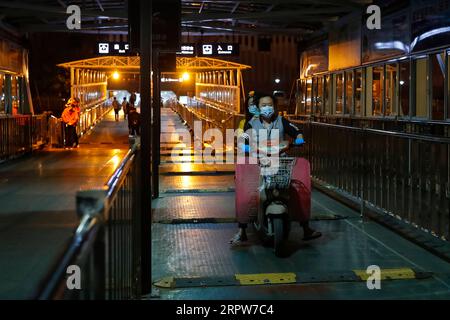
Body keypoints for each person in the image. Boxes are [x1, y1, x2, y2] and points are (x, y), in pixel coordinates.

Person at [231, 93, 322, 246]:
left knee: (296, 191)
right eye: (263, 105)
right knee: (245, 191)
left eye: (270, 105)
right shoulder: (251, 123)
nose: (267, 108)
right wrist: (244, 144)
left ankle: (305, 228)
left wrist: (299, 137)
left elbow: (296, 130)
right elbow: (245, 137)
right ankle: (242, 230)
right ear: (258, 108)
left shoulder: (281, 121)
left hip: (281, 161)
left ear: (274, 107)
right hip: (258, 162)